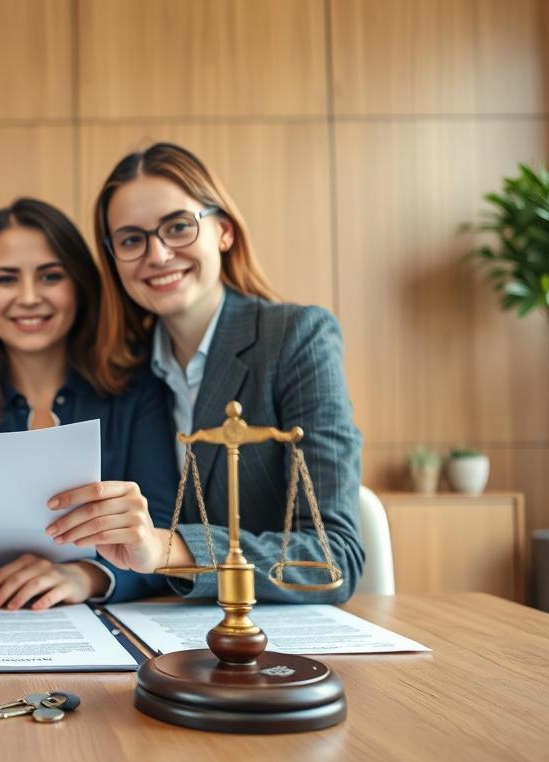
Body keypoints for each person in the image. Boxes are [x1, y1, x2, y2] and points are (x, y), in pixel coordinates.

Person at [91, 142, 364, 603]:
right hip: (157, 631)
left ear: (224, 232)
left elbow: (333, 555)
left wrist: (170, 548)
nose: (157, 255)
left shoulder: (297, 338)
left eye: (178, 227)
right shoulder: (122, 370)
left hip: (272, 638)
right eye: (132, 239)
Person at [0, 198, 179, 609]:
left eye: (51, 276)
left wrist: (88, 576)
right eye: (6, 279)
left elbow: (163, 535)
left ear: (80, 288)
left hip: (103, 628)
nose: (29, 297)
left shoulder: (137, 389)